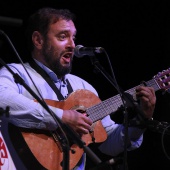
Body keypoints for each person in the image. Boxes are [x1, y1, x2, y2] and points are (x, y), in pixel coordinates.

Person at [0, 7, 156, 170]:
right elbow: (2, 99)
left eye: (73, 37)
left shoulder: (83, 87)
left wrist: (141, 121)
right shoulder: (15, 73)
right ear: (38, 40)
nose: (72, 45)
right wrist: (62, 117)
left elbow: (110, 143)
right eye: (63, 36)